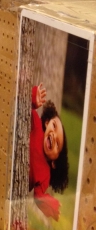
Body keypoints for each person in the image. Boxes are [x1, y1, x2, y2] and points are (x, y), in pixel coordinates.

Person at [30, 83, 69, 221]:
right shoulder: (37, 128)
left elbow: (38, 196)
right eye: (54, 125)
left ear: (55, 162)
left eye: (57, 144)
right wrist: (34, 97)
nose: (53, 134)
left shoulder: (45, 174)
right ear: (46, 123)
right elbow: (26, 106)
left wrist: (51, 206)